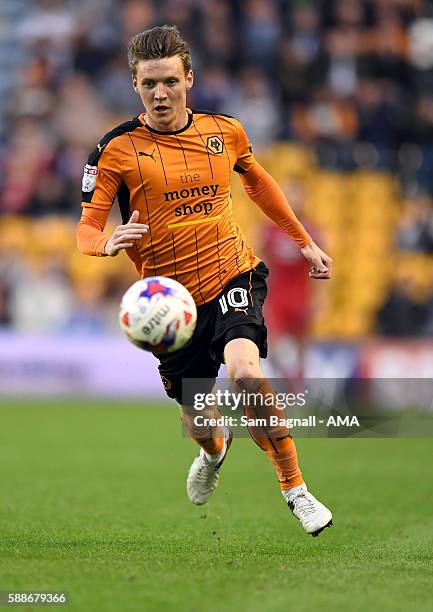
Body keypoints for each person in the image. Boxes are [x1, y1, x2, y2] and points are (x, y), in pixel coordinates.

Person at [76, 25, 333, 537]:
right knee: (200, 420)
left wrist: (302, 239)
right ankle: (215, 451)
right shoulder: (115, 149)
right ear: (135, 85)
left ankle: (296, 489)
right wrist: (106, 243)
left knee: (244, 372)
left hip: (230, 272)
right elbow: (86, 226)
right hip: (170, 305)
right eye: (149, 84)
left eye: (170, 80)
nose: (160, 93)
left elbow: (257, 181)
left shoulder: (225, 132)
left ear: (189, 78)